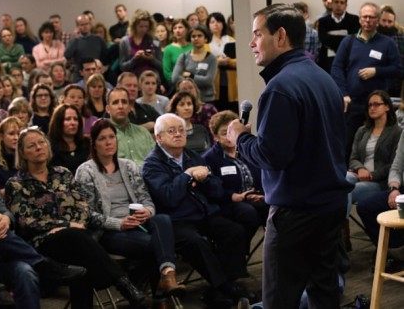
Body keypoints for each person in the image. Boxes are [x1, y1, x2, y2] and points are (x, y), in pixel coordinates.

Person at [226, 4, 352, 308]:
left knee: (278, 301)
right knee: (324, 296)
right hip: (331, 207)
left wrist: (240, 137)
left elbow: (271, 156)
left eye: (257, 34)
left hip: (295, 214)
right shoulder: (324, 80)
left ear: (280, 36)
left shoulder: (280, 88)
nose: (251, 43)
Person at [4, 127, 146, 309]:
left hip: (76, 240)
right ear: (22, 153)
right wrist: (66, 224)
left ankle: (119, 287)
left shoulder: (63, 173)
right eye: (32, 146)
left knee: (80, 263)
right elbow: (27, 221)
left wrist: (71, 225)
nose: (39, 147)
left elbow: (83, 206)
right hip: (42, 244)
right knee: (77, 241)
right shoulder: (15, 184)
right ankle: (124, 284)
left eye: (41, 143)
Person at [143, 113, 250, 307]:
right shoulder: (152, 164)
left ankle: (222, 287)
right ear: (158, 137)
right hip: (176, 220)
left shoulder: (192, 156)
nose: (178, 134)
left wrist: (206, 178)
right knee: (196, 242)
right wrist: (187, 175)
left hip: (202, 213)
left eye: (181, 130)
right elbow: (168, 197)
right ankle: (226, 288)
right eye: (172, 131)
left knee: (233, 231)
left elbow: (217, 190)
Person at [75, 119, 185, 296]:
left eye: (112, 137)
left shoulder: (128, 166)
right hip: (109, 230)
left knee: (162, 219)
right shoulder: (86, 171)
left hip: (137, 223)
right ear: (94, 144)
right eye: (102, 138)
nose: (109, 142)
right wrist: (119, 224)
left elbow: (146, 199)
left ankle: (167, 275)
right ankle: (158, 293)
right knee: (154, 245)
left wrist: (147, 211)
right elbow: (87, 214)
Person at [0, 181, 87, 309]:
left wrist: (5, 219)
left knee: (25, 271)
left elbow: (6, 213)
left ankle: (40, 265)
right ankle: (41, 263)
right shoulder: (16, 182)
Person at [331, 2, 401, 162]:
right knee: (348, 144)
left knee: (377, 146)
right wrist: (344, 94)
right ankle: (346, 179)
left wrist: (376, 71)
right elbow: (336, 68)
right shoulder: (348, 42)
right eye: (365, 17)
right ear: (360, 19)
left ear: (377, 19)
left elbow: (398, 69)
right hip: (353, 103)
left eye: (372, 17)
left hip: (378, 105)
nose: (368, 20)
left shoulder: (387, 43)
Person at [203, 110, 267, 248]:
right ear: (215, 137)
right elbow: (212, 189)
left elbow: (262, 175)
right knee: (248, 214)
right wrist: (234, 196)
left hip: (254, 197)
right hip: (228, 202)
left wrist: (260, 193)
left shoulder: (246, 150)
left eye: (232, 131)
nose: (229, 136)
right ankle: (238, 252)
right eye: (224, 133)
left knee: (276, 208)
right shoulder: (209, 159)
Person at [347, 90, 401, 211]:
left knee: (347, 191)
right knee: (340, 184)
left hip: (379, 181)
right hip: (358, 174)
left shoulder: (396, 132)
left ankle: (338, 227)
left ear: (387, 106)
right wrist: (360, 168)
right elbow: (353, 158)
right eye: (370, 105)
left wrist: (371, 175)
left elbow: (394, 164)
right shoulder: (362, 130)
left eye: (376, 104)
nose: (372, 108)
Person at [357, 130, 404, 249]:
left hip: (378, 178)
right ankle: (391, 248)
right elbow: (396, 167)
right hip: (400, 188)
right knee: (365, 207)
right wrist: (394, 188)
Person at [106, 87, 154, 166]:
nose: (120, 106)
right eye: (115, 102)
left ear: (129, 107)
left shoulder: (143, 132)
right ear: (108, 109)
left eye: (124, 102)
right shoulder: (103, 136)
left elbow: (156, 160)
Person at [172, 25, 217, 104]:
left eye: (199, 36)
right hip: (187, 100)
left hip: (207, 99)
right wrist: (195, 81)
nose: (196, 38)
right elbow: (175, 78)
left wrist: (190, 76)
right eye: (193, 36)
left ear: (206, 39)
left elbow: (208, 81)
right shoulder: (183, 57)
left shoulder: (212, 58)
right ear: (190, 39)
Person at [317, 0, 360, 73]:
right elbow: (324, 39)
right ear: (332, 4)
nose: (338, 5)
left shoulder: (354, 20)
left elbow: (353, 40)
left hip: (348, 60)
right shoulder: (323, 21)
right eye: (336, 2)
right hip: (326, 63)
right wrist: (344, 38)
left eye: (342, 2)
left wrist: (331, 38)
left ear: (346, 5)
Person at [119, 9, 162, 79]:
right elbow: (122, 67)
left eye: (146, 26)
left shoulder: (155, 40)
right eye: (141, 26)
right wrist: (134, 59)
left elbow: (161, 65)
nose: (144, 29)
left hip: (151, 78)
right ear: (134, 26)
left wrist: (151, 59)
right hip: (132, 79)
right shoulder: (125, 41)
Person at [48, 104, 90, 174]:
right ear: (58, 122)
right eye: (67, 119)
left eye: (76, 119)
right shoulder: (50, 147)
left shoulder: (87, 143)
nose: (73, 123)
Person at [0, 116, 22, 194]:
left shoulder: (28, 157)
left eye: (19, 133)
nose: (16, 137)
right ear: (1, 136)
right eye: (11, 134)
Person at [377, 5, 404, 97]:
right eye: (384, 20)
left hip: (397, 82)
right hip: (377, 82)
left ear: (394, 22)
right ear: (378, 20)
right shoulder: (373, 35)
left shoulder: (401, 36)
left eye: (390, 21)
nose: (386, 24)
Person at [162, 19, 192, 86]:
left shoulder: (193, 46)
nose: (177, 30)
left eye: (180, 27)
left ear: (187, 29)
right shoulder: (168, 49)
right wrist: (182, 81)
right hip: (176, 85)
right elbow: (167, 73)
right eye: (175, 28)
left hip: (194, 84)